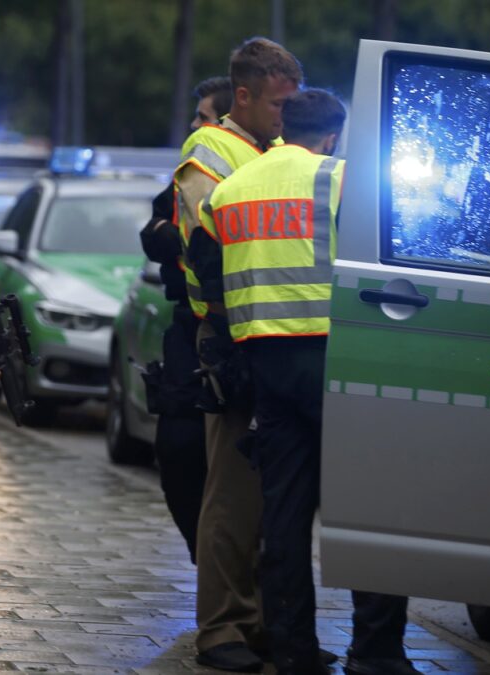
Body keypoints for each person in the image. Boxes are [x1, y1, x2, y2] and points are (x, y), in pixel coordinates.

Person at [198, 89, 413, 675]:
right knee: (370, 505)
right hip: (337, 357)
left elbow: (204, 272)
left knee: (284, 512)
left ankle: (293, 651)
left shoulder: (230, 189)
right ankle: (376, 651)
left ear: (283, 126)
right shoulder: (340, 180)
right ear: (333, 136)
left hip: (264, 362)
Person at [175, 37, 308, 673]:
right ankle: (223, 629)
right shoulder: (210, 151)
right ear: (245, 95)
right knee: (232, 492)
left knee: (274, 492)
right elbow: (210, 244)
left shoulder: (278, 150)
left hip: (281, 336)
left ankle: (266, 626)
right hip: (230, 334)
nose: (286, 115)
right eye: (278, 104)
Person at [139, 75, 233, 564]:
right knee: (176, 450)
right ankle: (207, 560)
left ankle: (236, 578)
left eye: (201, 116)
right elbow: (154, 231)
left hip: (232, 332)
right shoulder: (185, 177)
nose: (193, 125)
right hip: (186, 326)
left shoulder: (240, 178)